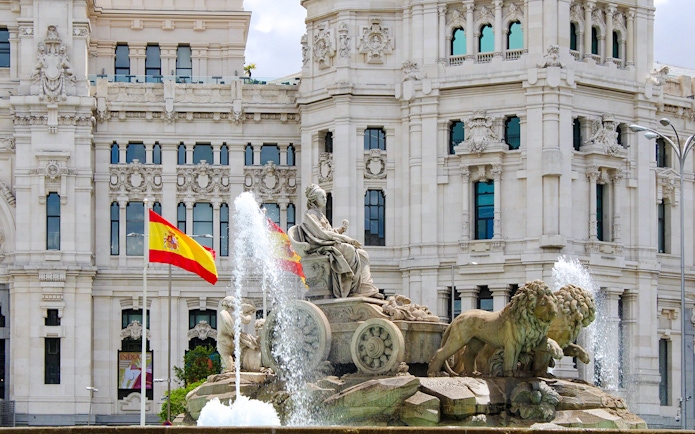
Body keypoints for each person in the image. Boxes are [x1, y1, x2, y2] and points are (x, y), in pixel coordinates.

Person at [295, 184, 383, 299]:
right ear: (314, 199)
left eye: (325, 197)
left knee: (362, 254)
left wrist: (340, 230)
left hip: (329, 243)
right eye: (322, 197)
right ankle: (349, 288)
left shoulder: (320, 215)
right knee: (350, 250)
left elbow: (329, 231)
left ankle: (363, 286)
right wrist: (346, 238)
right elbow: (322, 234)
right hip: (321, 247)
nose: (325, 199)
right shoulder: (310, 215)